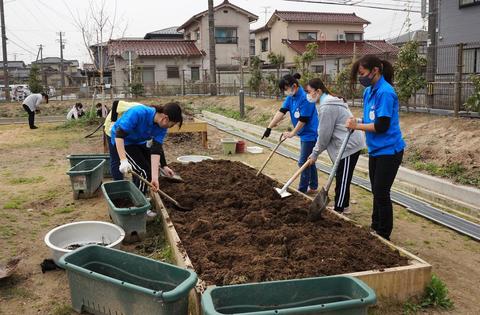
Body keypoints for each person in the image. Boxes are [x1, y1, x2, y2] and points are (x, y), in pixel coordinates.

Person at [345, 55, 406, 240]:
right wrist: (359, 121)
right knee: (375, 190)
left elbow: (381, 126)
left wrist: (357, 126)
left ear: (375, 70)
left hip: (390, 150)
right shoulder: (369, 91)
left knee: (381, 191)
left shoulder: (385, 93)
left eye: (363, 73)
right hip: (375, 149)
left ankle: (383, 233)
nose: (361, 78)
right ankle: (374, 227)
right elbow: (371, 120)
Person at [305, 78, 366, 214]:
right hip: (342, 143)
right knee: (341, 175)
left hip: (348, 144)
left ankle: (340, 209)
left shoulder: (327, 106)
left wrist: (315, 153)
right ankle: (343, 206)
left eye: (309, 92)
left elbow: (324, 135)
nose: (308, 96)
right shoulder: (325, 102)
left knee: (343, 177)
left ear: (318, 91)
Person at [262, 73, 319, 194]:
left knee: (303, 162)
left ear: (294, 86)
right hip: (303, 133)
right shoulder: (290, 98)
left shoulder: (306, 98)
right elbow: (281, 112)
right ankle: (313, 186)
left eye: (286, 89)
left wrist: (292, 133)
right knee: (309, 160)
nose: (285, 92)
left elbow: (303, 120)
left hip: (310, 133)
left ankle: (302, 191)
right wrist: (269, 127)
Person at [111, 102, 183, 195]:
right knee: (143, 172)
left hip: (139, 141)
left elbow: (156, 149)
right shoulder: (139, 113)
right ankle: (140, 204)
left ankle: (136, 192)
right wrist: (123, 160)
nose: (169, 127)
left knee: (148, 170)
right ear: (165, 118)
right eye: (171, 125)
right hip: (124, 141)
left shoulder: (161, 128)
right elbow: (119, 134)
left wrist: (155, 177)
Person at [104, 100, 143, 180]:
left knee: (135, 159)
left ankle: (136, 184)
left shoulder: (147, 119)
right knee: (116, 158)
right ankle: (118, 183)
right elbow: (116, 103)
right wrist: (113, 121)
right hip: (111, 128)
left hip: (124, 131)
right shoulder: (136, 109)